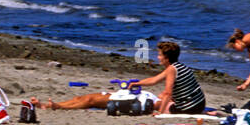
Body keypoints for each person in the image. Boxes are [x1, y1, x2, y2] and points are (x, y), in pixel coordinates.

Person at [31, 40, 206, 115]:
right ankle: (53, 106)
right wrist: (134, 83)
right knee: (85, 97)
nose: (158, 57)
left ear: (166, 57)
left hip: (148, 102)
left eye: (160, 55)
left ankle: (56, 107)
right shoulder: (178, 67)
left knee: (90, 99)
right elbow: (153, 81)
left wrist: (160, 115)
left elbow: (167, 93)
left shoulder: (171, 70)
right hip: (148, 98)